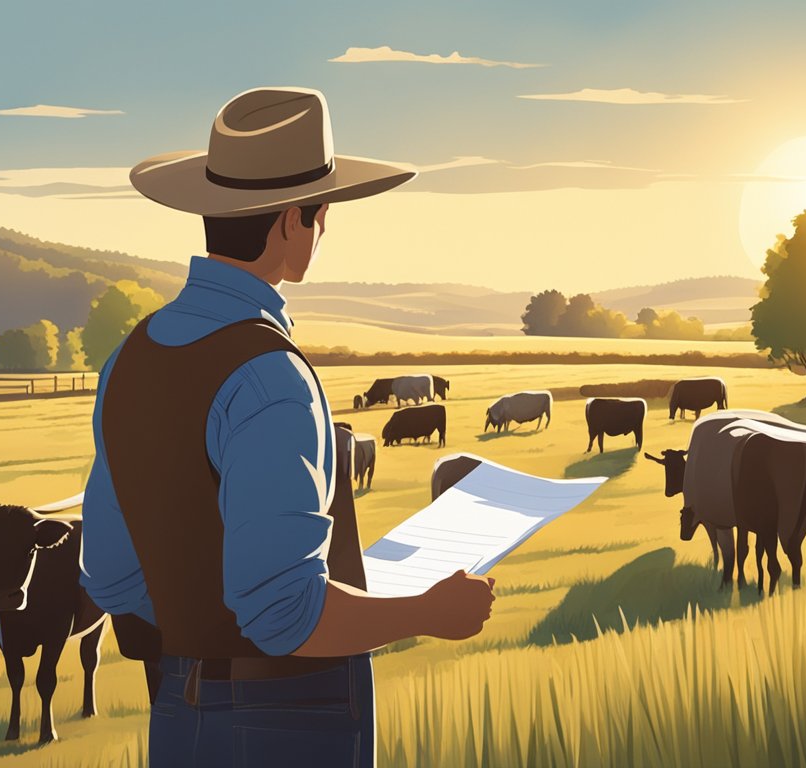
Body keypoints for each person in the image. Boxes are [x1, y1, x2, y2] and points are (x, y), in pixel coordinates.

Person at [80, 86, 496, 767]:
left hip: (178, 713)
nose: (323, 229)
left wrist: (204, 632)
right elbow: (282, 616)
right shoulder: (271, 376)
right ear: (292, 223)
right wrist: (428, 612)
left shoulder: (132, 355)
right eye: (322, 214)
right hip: (288, 722)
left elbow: (112, 574)